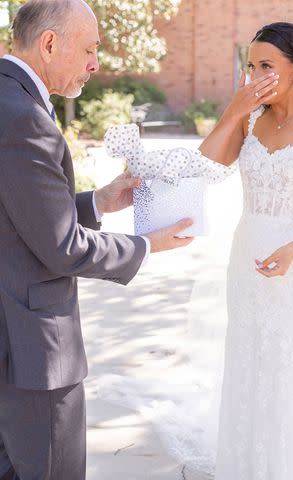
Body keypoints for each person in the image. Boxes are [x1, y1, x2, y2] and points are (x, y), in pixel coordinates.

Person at [100, 21, 293, 479]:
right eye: (250, 65)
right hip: (248, 261)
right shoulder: (252, 118)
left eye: (267, 65)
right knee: (248, 360)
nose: (255, 74)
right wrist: (234, 112)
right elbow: (205, 165)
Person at [0, 0, 195, 479]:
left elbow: (18, 214)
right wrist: (147, 244)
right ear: (49, 44)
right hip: (33, 353)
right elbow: (63, 248)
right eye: (89, 49)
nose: (95, 63)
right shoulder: (24, 117)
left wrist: (99, 202)